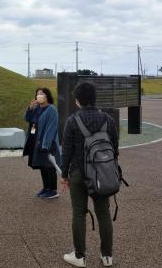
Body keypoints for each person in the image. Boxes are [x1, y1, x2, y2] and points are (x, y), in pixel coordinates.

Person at [61, 82, 119, 267]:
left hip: (78, 173)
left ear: (77, 101)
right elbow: (114, 149)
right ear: (95, 98)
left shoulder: (72, 120)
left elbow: (67, 151)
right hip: (101, 174)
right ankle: (107, 256)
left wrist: (64, 175)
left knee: (79, 213)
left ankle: (79, 256)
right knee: (104, 213)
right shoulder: (108, 120)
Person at [24, 88, 61, 199]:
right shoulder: (37, 108)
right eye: (37, 94)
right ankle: (46, 188)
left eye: (41, 93)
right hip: (36, 141)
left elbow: (52, 127)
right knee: (42, 165)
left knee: (49, 166)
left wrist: (45, 144)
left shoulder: (51, 110)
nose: (39, 95)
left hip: (47, 143)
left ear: (47, 96)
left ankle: (53, 190)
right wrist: (30, 109)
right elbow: (28, 119)